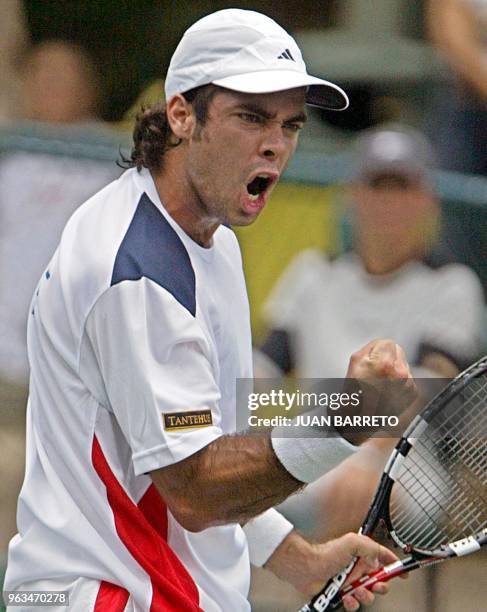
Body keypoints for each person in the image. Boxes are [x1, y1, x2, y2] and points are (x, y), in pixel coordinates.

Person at [5, 10, 415, 612]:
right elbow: (196, 490)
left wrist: (294, 556)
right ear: (180, 115)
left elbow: (208, 436)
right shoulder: (136, 270)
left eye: (290, 124)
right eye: (250, 117)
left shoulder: (209, 238)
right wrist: (343, 418)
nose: (275, 142)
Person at [256, 124, 485, 540]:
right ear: (352, 196)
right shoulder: (314, 274)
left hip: (404, 456)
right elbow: (262, 368)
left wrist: (360, 455)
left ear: (427, 201)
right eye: (378, 186)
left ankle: (327, 600)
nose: (389, 202)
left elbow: (430, 383)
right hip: (313, 438)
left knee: (362, 491)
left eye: (403, 187)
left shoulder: (452, 283)